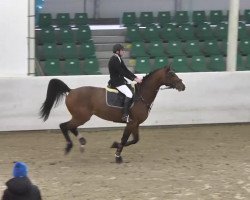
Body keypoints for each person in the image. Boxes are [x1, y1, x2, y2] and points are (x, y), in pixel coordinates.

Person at [108, 43, 142, 123]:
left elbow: (126, 70)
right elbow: (122, 72)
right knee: (129, 94)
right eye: (122, 50)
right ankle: (125, 115)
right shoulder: (114, 59)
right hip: (116, 82)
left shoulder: (119, 58)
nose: (123, 52)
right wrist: (134, 79)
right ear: (117, 51)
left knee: (132, 90)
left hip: (121, 81)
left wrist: (135, 78)